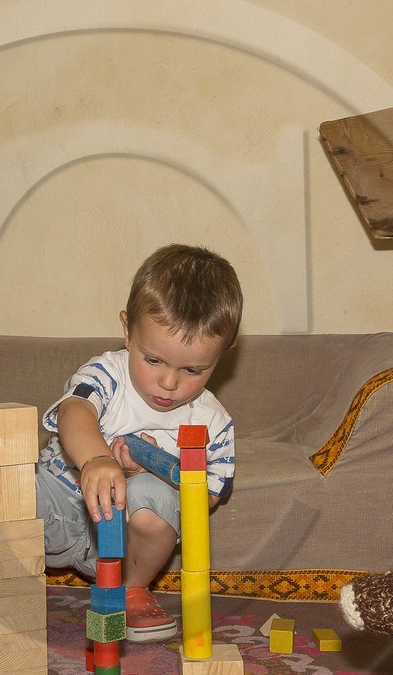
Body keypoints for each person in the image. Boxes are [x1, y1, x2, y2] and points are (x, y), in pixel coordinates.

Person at [36, 244, 241, 641]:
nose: (169, 383)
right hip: (62, 505)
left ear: (224, 353)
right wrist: (96, 459)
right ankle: (11, 591)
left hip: (130, 544)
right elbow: (74, 411)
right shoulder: (107, 374)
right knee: (11, 495)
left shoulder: (212, 422)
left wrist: (155, 471)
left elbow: (208, 498)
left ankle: (132, 588)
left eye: (193, 369)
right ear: (128, 331)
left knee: (158, 498)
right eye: (154, 361)